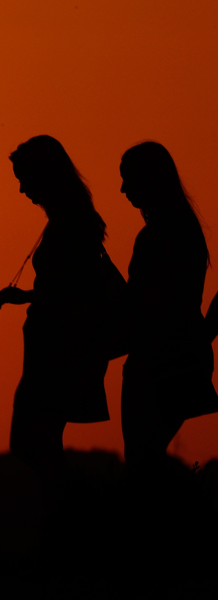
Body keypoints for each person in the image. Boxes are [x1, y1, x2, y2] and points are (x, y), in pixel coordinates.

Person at [0, 135, 110, 520]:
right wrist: (27, 297)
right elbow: (64, 286)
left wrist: (35, 299)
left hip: (58, 354)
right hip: (53, 351)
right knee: (40, 443)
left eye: (25, 178)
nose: (22, 188)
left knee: (31, 443)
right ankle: (71, 520)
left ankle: (81, 515)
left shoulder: (72, 224)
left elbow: (71, 290)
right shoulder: (70, 220)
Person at [118, 142, 218, 472]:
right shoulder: (182, 229)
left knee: (141, 461)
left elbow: (148, 305)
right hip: (178, 357)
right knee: (145, 459)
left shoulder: (160, 235)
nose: (122, 190)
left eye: (128, 179)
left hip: (160, 362)